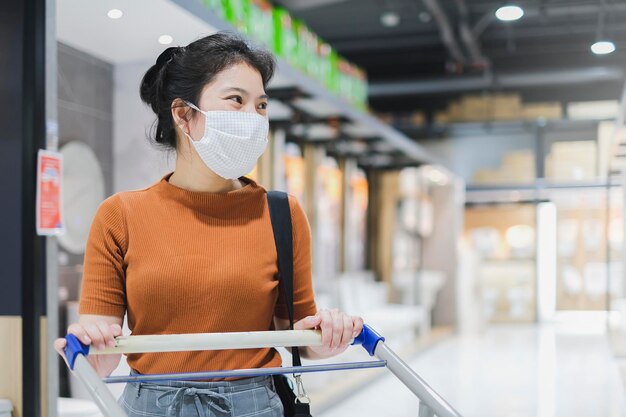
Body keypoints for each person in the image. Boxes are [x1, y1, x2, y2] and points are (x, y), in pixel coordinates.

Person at [54, 32, 363, 417]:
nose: (254, 118)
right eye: (236, 100)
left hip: (256, 406)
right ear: (184, 114)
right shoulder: (120, 215)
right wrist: (88, 346)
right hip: (151, 405)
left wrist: (330, 334)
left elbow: (301, 337)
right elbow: (100, 357)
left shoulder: (282, 213)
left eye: (262, 105)